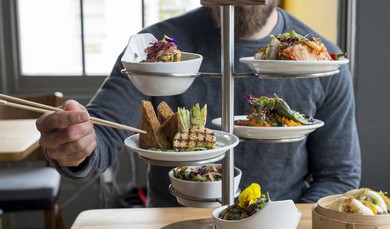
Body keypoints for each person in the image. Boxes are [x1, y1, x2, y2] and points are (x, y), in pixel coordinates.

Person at [36, 1, 361, 207]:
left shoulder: (320, 61)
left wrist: (288, 227)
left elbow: (338, 175)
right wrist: (77, 144)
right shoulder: (155, 49)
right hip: (171, 228)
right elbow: (103, 130)